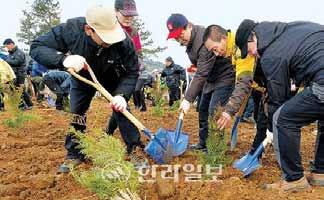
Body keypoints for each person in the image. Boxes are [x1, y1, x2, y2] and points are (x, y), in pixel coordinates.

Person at [30, 4, 145, 173]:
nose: (110, 41)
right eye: (105, 37)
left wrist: (121, 95)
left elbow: (132, 71)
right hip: (83, 78)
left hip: (113, 78)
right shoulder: (71, 30)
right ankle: (75, 153)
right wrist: (62, 60)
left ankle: (134, 148)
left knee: (122, 110)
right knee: (78, 113)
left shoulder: (123, 40)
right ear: (88, 29)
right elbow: (37, 47)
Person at [229, 19, 324, 192]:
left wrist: (272, 128)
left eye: (248, 50)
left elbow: (278, 100)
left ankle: (294, 179)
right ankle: (321, 172)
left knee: (283, 119)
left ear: (253, 38)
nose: (251, 55)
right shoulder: (289, 31)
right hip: (319, 75)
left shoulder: (272, 54)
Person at [166, 14, 235, 152]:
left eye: (181, 35)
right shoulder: (191, 42)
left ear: (189, 26)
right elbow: (202, 71)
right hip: (210, 79)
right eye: (176, 37)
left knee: (214, 111)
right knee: (202, 109)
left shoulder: (203, 41)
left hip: (224, 77)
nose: (179, 40)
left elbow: (201, 73)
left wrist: (187, 99)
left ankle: (216, 147)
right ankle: (203, 144)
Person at [105, 0, 143, 135]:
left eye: (131, 15)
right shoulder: (107, 27)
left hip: (127, 75)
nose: (129, 19)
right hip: (109, 73)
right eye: (125, 15)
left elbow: (138, 53)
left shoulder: (133, 32)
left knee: (120, 104)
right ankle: (132, 142)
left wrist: (139, 64)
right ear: (115, 11)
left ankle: (108, 132)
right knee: (121, 105)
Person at [3, 38, 33, 110]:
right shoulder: (11, 54)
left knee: (20, 90)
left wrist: (6, 60)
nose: (6, 48)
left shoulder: (19, 52)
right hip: (14, 75)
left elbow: (17, 62)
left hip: (20, 74)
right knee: (15, 89)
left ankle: (26, 105)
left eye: (7, 46)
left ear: (11, 44)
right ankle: (25, 105)